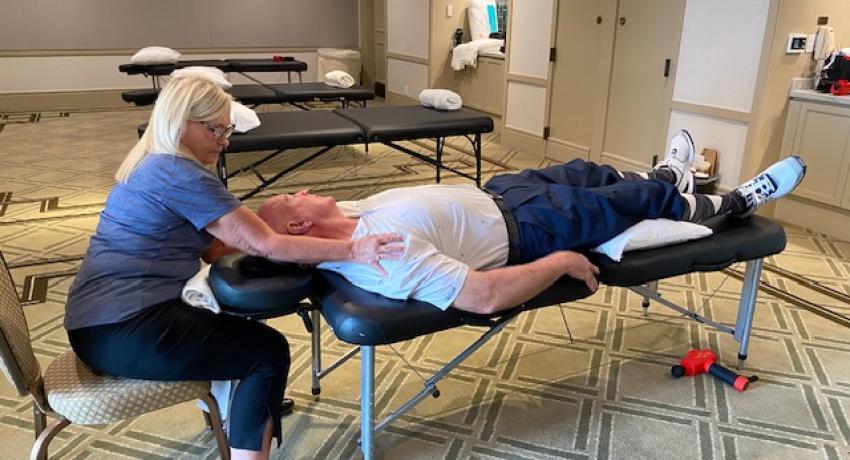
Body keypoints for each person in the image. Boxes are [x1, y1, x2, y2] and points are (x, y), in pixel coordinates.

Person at [63, 76, 404, 460]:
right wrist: (354, 249)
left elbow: (215, 249)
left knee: (232, 327)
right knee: (266, 352)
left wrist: (267, 231)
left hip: (96, 322)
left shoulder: (153, 162)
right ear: (180, 122)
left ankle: (241, 413)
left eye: (227, 130)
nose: (224, 141)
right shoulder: (179, 172)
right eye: (215, 130)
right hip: (122, 330)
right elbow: (264, 245)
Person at [258, 130, 806, 316]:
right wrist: (561, 261)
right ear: (300, 227)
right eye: (292, 197)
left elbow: (254, 241)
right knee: (632, 199)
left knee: (588, 171)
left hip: (502, 191)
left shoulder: (347, 216)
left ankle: (666, 173)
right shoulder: (382, 258)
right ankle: (728, 204)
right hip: (529, 229)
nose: (303, 190)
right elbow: (482, 297)